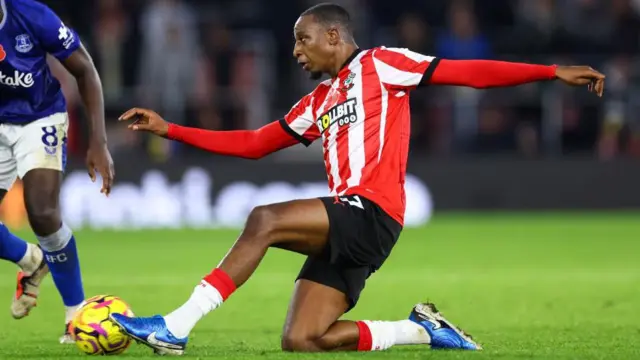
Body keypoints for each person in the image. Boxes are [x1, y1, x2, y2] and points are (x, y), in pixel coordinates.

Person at [111, 3, 605, 355]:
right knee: (302, 340)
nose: (296, 52)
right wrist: (170, 129)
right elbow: (257, 144)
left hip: (372, 212)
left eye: (303, 40)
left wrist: (549, 72)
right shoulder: (318, 101)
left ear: (333, 36)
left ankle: (176, 326)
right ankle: (420, 332)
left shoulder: (382, 64)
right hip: (348, 221)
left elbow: (467, 72)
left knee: (263, 218)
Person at [0, 0, 114, 343]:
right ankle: (31, 259)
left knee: (42, 212)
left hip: (39, 118)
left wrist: (99, 141)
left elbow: (85, 69)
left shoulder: (32, 15)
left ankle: (75, 314)